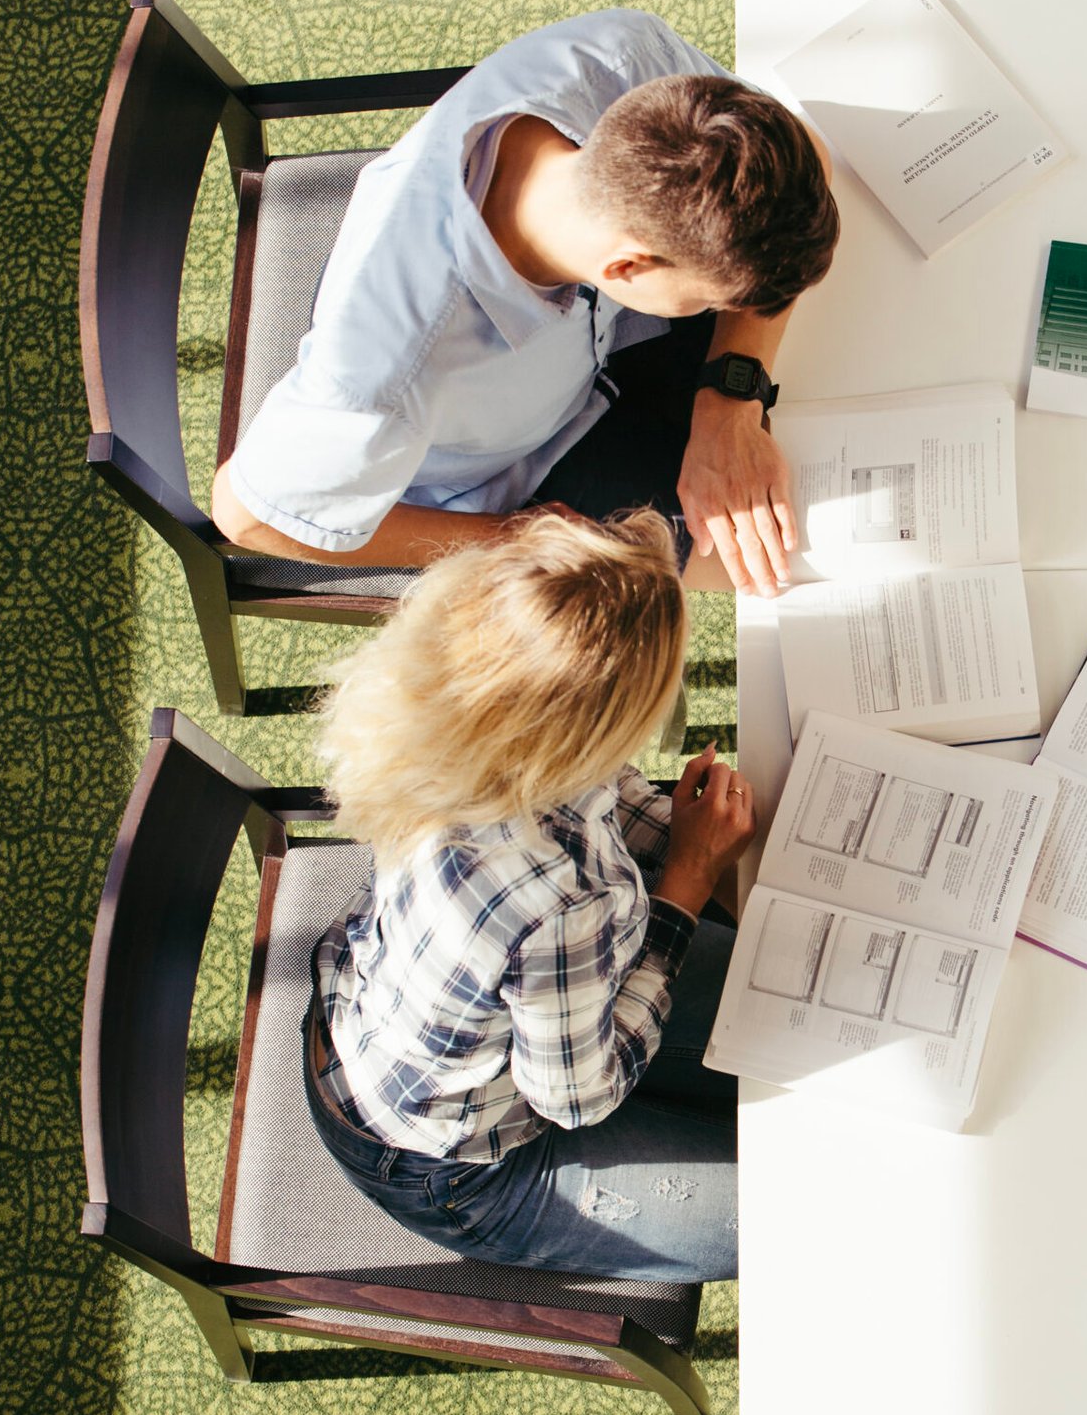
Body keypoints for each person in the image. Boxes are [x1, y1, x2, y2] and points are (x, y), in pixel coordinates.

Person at [213, 8, 839, 598]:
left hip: (606, 334)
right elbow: (248, 516)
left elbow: (808, 152)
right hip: (530, 471)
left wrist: (729, 400)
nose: (725, 308)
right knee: (803, 556)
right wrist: (508, 538)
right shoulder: (383, 374)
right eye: (713, 299)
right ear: (625, 265)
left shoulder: (627, 57)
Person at [302, 508, 755, 1284]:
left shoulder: (472, 702)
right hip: (463, 1167)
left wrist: (690, 840)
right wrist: (684, 889)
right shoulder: (555, 901)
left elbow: (603, 800)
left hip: (419, 1030)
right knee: (802, 1210)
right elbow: (580, 1097)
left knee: (781, 1002)